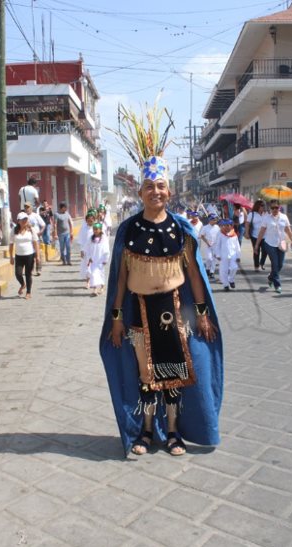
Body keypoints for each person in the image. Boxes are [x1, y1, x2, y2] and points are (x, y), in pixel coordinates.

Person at [101, 102, 222, 458]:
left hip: (173, 311)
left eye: (162, 186)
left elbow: (194, 276)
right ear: (141, 192)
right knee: (144, 375)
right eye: (150, 186)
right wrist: (117, 319)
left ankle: (172, 433)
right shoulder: (129, 230)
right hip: (138, 312)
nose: (157, 191)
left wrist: (201, 313)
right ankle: (145, 431)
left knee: (172, 376)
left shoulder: (181, 229)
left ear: (170, 192)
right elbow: (120, 279)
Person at [255, 200, 292, 294]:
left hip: (281, 243)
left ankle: (271, 277)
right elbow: (261, 232)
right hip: (269, 244)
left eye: (276, 207)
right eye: (272, 208)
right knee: (275, 263)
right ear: (270, 208)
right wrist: (257, 245)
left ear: (279, 207)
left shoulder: (284, 217)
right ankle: (277, 285)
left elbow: (288, 230)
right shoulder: (266, 218)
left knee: (280, 265)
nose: (274, 209)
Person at [9, 212, 40, 300]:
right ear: (18, 221)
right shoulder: (14, 230)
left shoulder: (31, 230)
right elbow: (11, 244)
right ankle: (23, 284)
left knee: (28, 274)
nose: (25, 221)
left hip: (29, 255)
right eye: (23, 219)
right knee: (18, 274)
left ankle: (28, 292)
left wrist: (37, 256)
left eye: (26, 219)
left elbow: (35, 243)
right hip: (19, 256)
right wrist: (11, 257)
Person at [214, 218, 241, 291]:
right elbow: (217, 245)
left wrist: (238, 255)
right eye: (224, 225)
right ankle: (225, 285)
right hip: (223, 256)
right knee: (224, 271)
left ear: (231, 226)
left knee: (234, 268)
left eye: (228, 225)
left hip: (233, 255)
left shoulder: (234, 234)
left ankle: (231, 280)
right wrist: (218, 255)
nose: (226, 227)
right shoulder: (220, 234)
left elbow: (237, 246)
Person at [84, 221, 109, 296]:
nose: (95, 231)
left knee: (101, 274)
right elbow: (87, 248)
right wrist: (89, 257)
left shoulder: (104, 239)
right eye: (94, 229)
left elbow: (106, 250)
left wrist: (106, 259)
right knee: (93, 274)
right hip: (93, 260)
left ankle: (102, 287)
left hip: (101, 260)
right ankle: (94, 290)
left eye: (97, 229)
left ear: (100, 230)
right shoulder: (91, 238)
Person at [23, 202, 46, 276]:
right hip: (27, 239)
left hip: (36, 238)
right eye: (25, 207)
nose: (27, 209)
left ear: (31, 208)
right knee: (30, 255)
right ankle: (31, 269)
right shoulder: (23, 217)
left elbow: (43, 225)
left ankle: (38, 269)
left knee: (37, 254)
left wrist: (40, 233)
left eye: (28, 207)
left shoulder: (36, 216)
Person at [244, 200, 267, 271]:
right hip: (254, 236)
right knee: (256, 251)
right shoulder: (252, 214)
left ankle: (262, 263)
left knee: (265, 250)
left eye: (264, 205)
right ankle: (256, 266)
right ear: (258, 206)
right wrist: (247, 233)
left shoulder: (266, 214)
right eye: (262, 205)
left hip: (265, 236)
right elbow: (247, 224)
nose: (263, 207)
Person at [77, 209, 97, 288]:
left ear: (94, 220)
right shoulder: (84, 228)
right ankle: (88, 282)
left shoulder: (96, 228)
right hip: (87, 251)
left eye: (91, 221)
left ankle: (95, 282)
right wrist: (82, 250)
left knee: (94, 266)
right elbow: (81, 240)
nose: (90, 222)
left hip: (95, 251)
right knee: (88, 266)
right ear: (86, 221)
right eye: (88, 221)